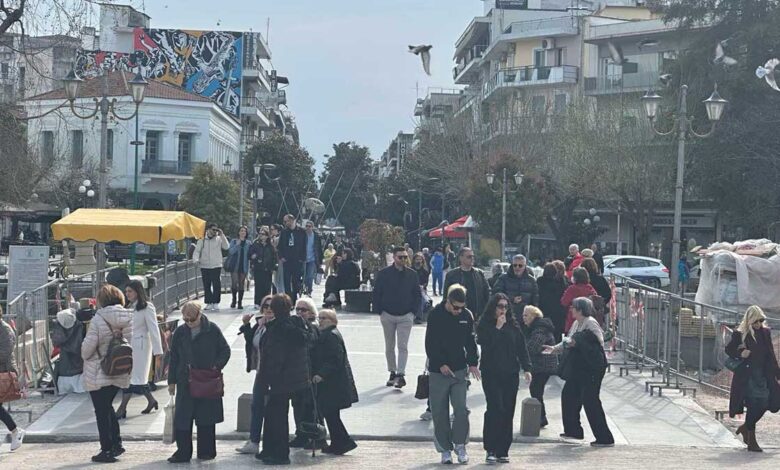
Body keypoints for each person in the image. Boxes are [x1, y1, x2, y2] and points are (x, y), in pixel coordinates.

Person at [543, 297, 614, 447]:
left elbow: (599, 341)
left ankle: (604, 438)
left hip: (592, 368)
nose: (571, 310)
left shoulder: (590, 322)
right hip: (579, 367)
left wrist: (577, 342)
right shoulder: (576, 323)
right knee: (569, 395)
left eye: (573, 307)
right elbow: (568, 340)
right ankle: (573, 430)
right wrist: (555, 349)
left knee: (590, 401)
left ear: (580, 309)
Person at [167, 302, 231, 463]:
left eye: (191, 319)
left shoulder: (212, 329)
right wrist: (171, 381)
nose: (188, 322)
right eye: (185, 319)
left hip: (206, 379)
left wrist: (216, 366)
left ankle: (207, 451)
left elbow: (225, 350)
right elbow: (173, 357)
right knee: (183, 418)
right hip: (185, 380)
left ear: (200, 315)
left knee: (206, 418)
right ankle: (183, 452)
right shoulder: (180, 332)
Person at [425, 284, 480, 465]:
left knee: (461, 410)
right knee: (439, 412)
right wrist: (440, 363)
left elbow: (471, 341)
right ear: (448, 301)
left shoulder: (466, 315)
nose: (458, 311)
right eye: (455, 307)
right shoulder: (435, 314)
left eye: (461, 308)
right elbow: (430, 342)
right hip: (438, 370)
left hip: (458, 369)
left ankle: (460, 445)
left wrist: (473, 363)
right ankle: (445, 449)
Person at [476, 293, 531, 464]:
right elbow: (486, 344)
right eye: (500, 306)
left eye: (506, 307)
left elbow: (522, 347)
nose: (503, 310)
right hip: (491, 373)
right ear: (493, 307)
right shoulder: (485, 325)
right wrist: (497, 328)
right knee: (495, 408)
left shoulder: (513, 326)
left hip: (510, 374)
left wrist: (527, 368)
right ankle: (490, 448)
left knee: (508, 410)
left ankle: (503, 450)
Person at [81, 285, 133, 463]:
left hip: (99, 370)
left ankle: (107, 449)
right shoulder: (129, 317)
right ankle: (117, 444)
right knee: (108, 408)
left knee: (102, 412)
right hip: (120, 369)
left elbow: (87, 350)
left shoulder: (98, 319)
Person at [257, 294, 311, 465]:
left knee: (276, 415)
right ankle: (270, 450)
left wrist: (267, 379)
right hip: (296, 377)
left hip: (280, 379)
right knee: (275, 413)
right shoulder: (297, 324)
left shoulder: (279, 329)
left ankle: (278, 452)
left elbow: (275, 358)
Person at [726, 305, 780, 452]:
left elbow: (770, 354)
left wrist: (777, 373)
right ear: (749, 320)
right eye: (756, 321)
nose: (759, 324)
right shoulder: (740, 333)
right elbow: (729, 349)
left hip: (763, 375)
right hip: (747, 377)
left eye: (761, 320)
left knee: (769, 402)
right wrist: (741, 352)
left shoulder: (765, 332)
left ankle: (745, 428)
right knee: (754, 404)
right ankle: (752, 440)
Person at [373, 246, 422, 389]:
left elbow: (417, 294)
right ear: (394, 258)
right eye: (400, 257)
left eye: (405, 257)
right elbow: (377, 292)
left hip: (406, 315)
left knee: (403, 346)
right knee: (389, 346)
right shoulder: (384, 274)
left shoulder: (412, 274)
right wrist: (379, 311)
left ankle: (401, 374)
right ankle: (392, 372)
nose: (403, 259)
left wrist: (413, 312)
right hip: (387, 314)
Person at [312, 309, 359, 455]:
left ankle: (343, 441)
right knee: (331, 414)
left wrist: (321, 374)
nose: (320, 321)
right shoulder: (329, 334)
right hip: (333, 382)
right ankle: (339, 442)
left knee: (331, 414)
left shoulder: (331, 336)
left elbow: (335, 359)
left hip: (332, 383)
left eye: (324, 318)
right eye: (319, 318)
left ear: (332, 321)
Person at [115, 281, 163, 420]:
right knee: (134, 378)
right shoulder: (130, 306)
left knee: (134, 378)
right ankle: (151, 401)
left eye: (130, 291)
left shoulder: (147, 307)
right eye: (126, 291)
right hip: (130, 345)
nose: (127, 294)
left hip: (141, 346)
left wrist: (158, 351)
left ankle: (122, 408)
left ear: (137, 292)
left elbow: (153, 329)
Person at [235, 295, 274, 456]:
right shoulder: (260, 324)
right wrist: (246, 325)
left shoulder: (278, 326)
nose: (268, 310)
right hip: (260, 371)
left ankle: (269, 442)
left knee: (272, 408)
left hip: (274, 374)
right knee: (256, 406)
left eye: (272, 307)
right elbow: (251, 341)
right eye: (266, 306)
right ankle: (254, 441)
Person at [289, 298, 325, 450]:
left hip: (310, 373)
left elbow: (311, 347)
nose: (299, 312)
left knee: (311, 407)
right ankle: (301, 435)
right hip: (297, 374)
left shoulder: (313, 327)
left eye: (303, 310)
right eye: (297, 309)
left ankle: (316, 437)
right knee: (298, 405)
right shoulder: (296, 326)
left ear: (311, 312)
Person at [522, 305, 558, 428]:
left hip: (544, 365)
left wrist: (521, 351)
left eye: (526, 315)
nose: (524, 318)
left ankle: (541, 417)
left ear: (533, 316)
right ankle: (541, 417)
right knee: (536, 390)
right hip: (540, 365)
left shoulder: (540, 329)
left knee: (536, 390)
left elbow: (533, 347)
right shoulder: (535, 327)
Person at [0, 304, 25, 452]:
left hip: (3, 371)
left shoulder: (5, 329)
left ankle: (16, 431)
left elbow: (6, 351)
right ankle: (15, 431)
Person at [443, 247, 491, 322]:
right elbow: (446, 296)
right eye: (469, 257)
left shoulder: (479, 274)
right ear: (461, 258)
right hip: (458, 315)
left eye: (473, 256)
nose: (472, 259)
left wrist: (485, 312)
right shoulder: (451, 275)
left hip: (477, 316)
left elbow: (487, 294)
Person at [193, 224, 229, 311]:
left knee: (216, 284)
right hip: (205, 265)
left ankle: (216, 302)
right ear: (208, 230)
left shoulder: (219, 239)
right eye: (213, 230)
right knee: (207, 284)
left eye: (216, 230)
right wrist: (195, 260)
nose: (214, 232)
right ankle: (209, 302)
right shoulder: (202, 239)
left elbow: (226, 247)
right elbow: (197, 251)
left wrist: (222, 235)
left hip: (216, 265)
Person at [51, 307, 85, 395]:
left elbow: (57, 341)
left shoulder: (60, 325)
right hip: (75, 357)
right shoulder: (78, 325)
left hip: (67, 359)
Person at [278, 215, 306, 304]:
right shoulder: (284, 232)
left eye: (287, 221)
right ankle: (288, 301)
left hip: (297, 260)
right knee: (286, 281)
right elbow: (280, 246)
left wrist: (302, 258)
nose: (285, 223)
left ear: (292, 220)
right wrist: (281, 257)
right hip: (287, 260)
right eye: (284, 222)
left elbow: (304, 245)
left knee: (296, 281)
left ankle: (294, 298)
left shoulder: (301, 231)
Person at [537, 263, 568, 342]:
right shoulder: (561, 281)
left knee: (545, 332)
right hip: (558, 311)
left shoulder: (540, 281)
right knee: (557, 334)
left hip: (544, 310)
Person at [561, 267, 597, 333]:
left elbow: (564, 302)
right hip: (588, 318)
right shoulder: (590, 288)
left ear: (575, 278)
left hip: (574, 319)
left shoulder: (572, 289)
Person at [250, 226, 277, 307]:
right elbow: (250, 253)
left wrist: (273, 266)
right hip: (258, 268)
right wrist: (253, 256)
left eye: (264, 234)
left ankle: (266, 302)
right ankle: (257, 302)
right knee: (258, 285)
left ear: (267, 236)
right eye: (260, 234)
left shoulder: (270, 245)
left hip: (268, 268)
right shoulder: (256, 244)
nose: (262, 236)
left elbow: (274, 256)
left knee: (267, 286)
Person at [226, 226, 252, 310]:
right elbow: (231, 251)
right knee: (234, 282)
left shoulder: (248, 243)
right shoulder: (234, 241)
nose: (243, 232)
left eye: (244, 231)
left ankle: (240, 302)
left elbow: (250, 254)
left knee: (241, 283)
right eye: (241, 231)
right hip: (235, 266)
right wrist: (237, 245)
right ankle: (234, 300)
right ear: (238, 232)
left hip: (243, 265)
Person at [303, 220, 324, 295]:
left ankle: (309, 291)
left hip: (312, 259)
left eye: (309, 226)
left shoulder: (316, 236)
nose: (308, 228)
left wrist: (320, 261)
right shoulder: (303, 235)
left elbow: (319, 249)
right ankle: (305, 287)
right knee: (304, 276)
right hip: (303, 259)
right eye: (306, 226)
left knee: (310, 276)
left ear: (312, 227)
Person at [271, 224, 285, 294]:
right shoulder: (272, 238)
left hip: (279, 260)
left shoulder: (279, 238)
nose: (271, 231)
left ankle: (280, 294)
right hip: (273, 261)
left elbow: (277, 249)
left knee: (280, 279)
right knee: (275, 280)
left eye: (273, 229)